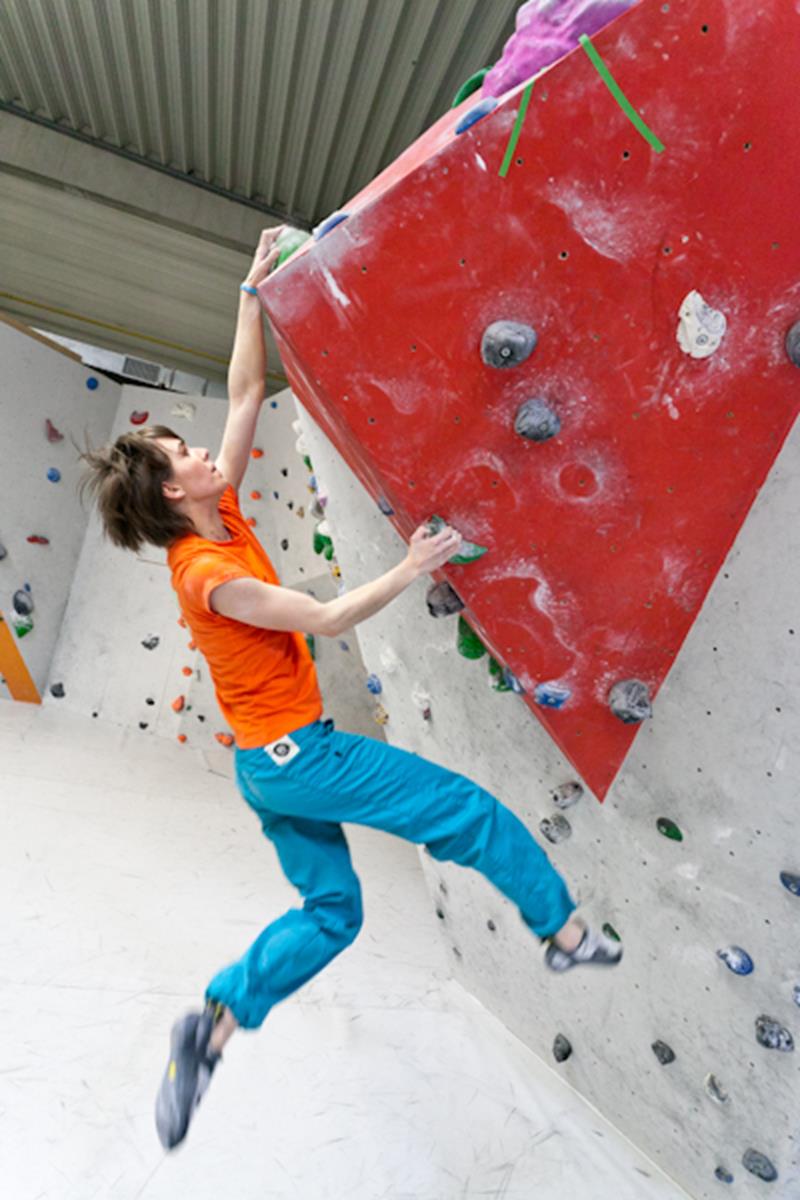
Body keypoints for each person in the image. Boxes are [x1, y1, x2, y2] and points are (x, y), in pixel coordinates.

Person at [79, 226, 622, 1153]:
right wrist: (412, 567)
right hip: (300, 756)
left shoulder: (223, 510)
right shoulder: (207, 572)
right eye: (186, 456)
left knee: (334, 913)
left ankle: (210, 1023)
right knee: (467, 812)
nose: (204, 452)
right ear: (174, 496)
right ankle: (562, 933)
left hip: (268, 766)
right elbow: (326, 621)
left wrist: (251, 292)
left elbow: (247, 388)